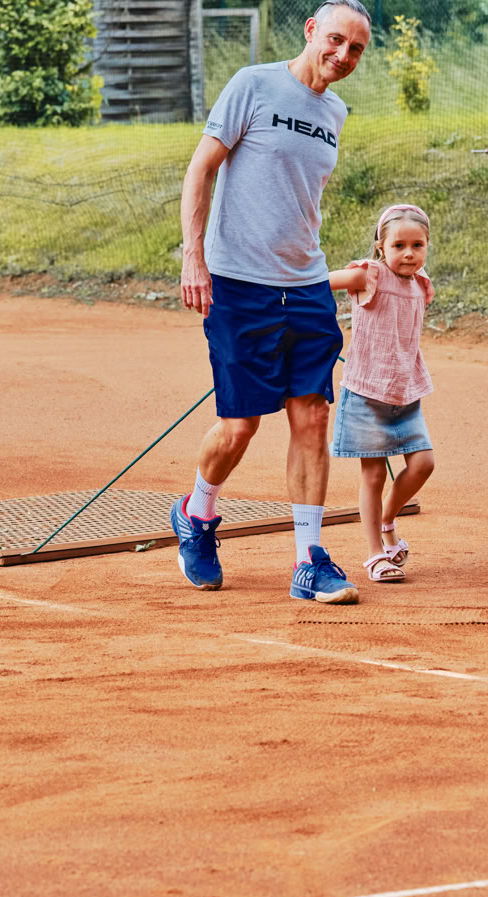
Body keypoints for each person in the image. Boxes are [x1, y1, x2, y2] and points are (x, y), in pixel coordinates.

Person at [169, 0, 373, 605]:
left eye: (356, 49)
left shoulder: (335, 111)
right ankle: (197, 513)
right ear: (311, 31)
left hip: (306, 285)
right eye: (335, 40)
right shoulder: (253, 85)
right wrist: (193, 257)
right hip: (237, 283)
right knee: (240, 426)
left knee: (311, 415)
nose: (343, 55)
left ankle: (309, 559)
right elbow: (200, 170)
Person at [328, 204, 437, 583]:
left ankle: (388, 519)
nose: (409, 253)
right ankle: (376, 554)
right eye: (399, 245)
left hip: (405, 392)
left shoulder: (421, 285)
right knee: (373, 476)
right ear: (381, 247)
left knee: (423, 464)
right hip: (366, 392)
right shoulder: (368, 275)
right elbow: (318, 283)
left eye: (417, 245)